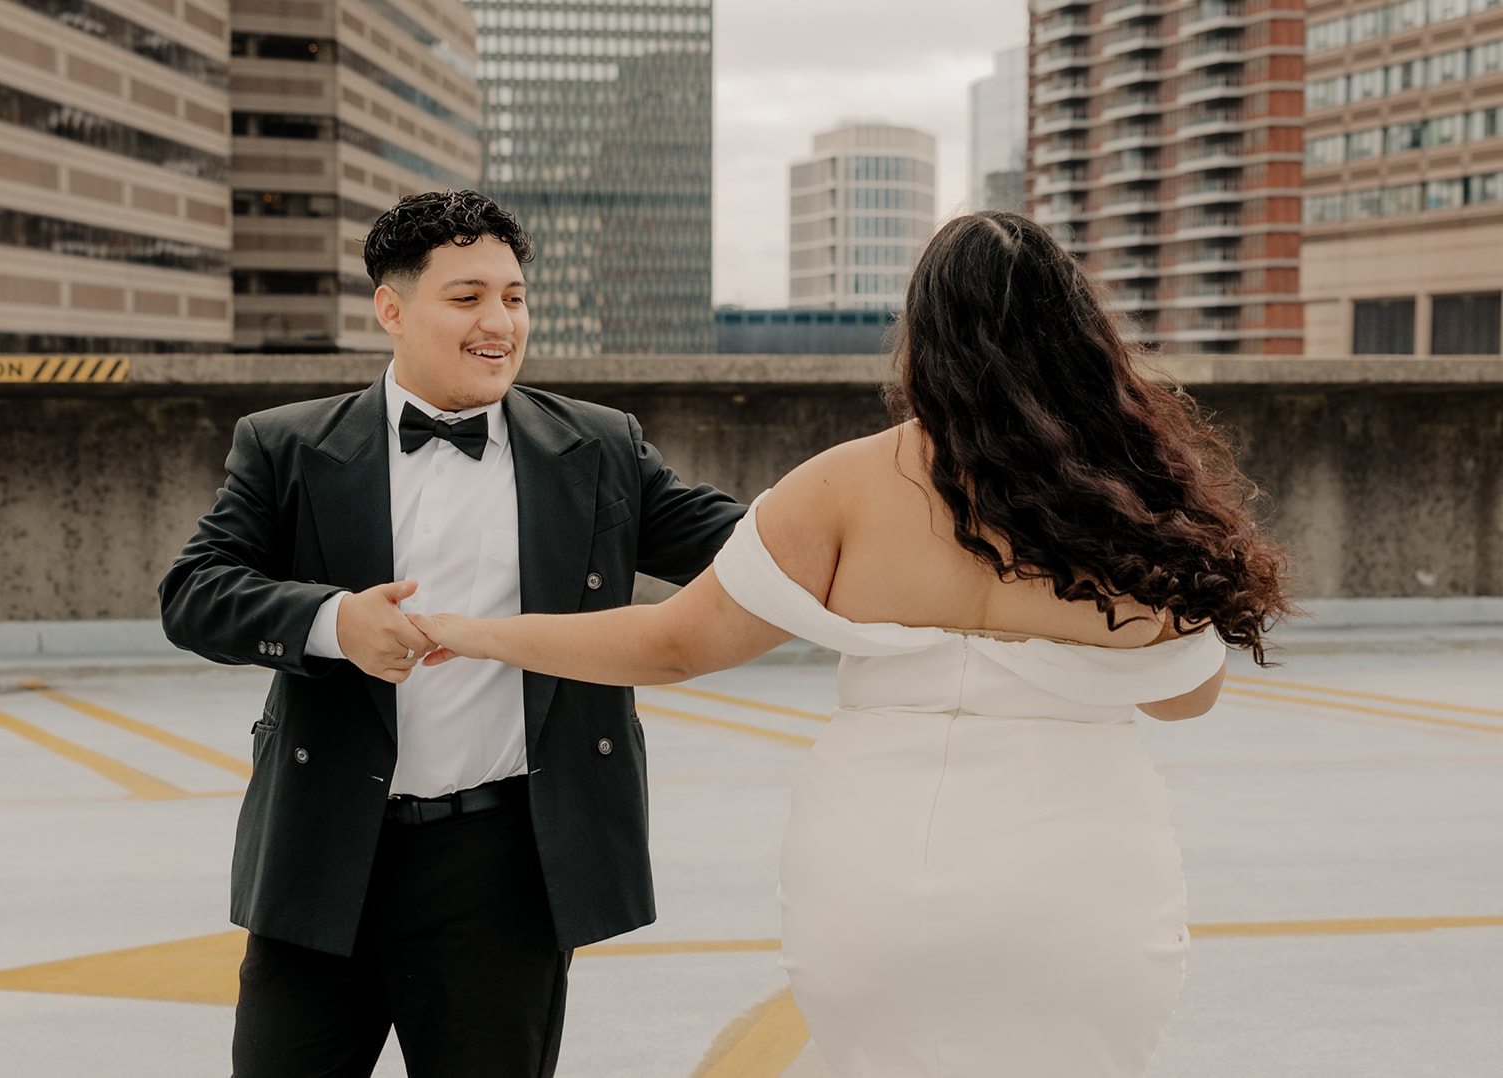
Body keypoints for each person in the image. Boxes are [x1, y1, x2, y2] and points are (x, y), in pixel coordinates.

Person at [409, 212, 1294, 1077]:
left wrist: (472, 631)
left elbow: (673, 644)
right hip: (1078, 875)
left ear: (922, 338)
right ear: (1079, 335)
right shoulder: (1129, 496)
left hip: (873, 872)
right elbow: (1185, 694)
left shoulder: (842, 483)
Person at [157, 190, 744, 1077]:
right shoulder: (285, 446)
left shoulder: (600, 448)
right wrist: (331, 621)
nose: (499, 322)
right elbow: (193, 592)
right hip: (323, 852)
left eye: (513, 297)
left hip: (506, 863)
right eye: (466, 298)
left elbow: (748, 546)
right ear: (391, 309)